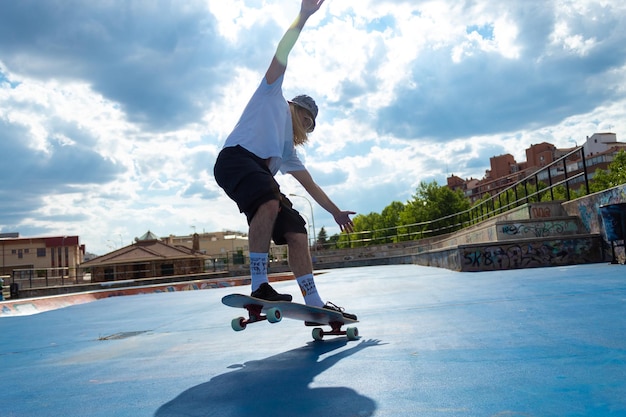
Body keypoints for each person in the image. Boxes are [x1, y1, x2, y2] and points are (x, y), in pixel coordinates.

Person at [214, 0, 356, 320]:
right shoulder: (272, 94)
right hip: (235, 159)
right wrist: (303, 16)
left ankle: (314, 298)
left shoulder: (288, 152)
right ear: (293, 106)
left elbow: (311, 185)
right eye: (303, 118)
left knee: (296, 228)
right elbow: (283, 50)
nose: (304, 126)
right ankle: (260, 283)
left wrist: (334, 212)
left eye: (309, 125)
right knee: (269, 197)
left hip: (258, 174)